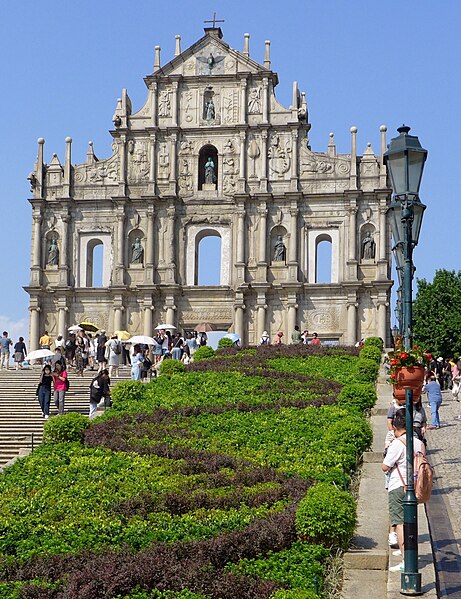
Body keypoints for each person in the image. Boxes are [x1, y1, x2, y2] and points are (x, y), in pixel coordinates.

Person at [382, 408, 425, 572]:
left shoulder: (397, 444)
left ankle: (406, 560)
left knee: (400, 523)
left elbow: (385, 466)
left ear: (394, 427)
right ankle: (406, 550)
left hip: (399, 486)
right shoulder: (418, 442)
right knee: (411, 521)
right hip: (415, 486)